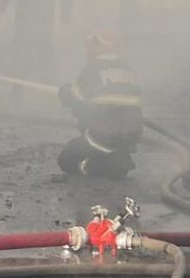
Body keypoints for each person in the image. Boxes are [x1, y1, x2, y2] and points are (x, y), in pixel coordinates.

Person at [56, 32, 143, 179]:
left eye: (89, 47)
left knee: (66, 160)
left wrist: (65, 92)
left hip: (103, 136)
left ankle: (99, 166)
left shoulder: (92, 68)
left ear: (98, 48)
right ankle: (118, 156)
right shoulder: (127, 69)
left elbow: (77, 101)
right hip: (131, 137)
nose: (86, 51)